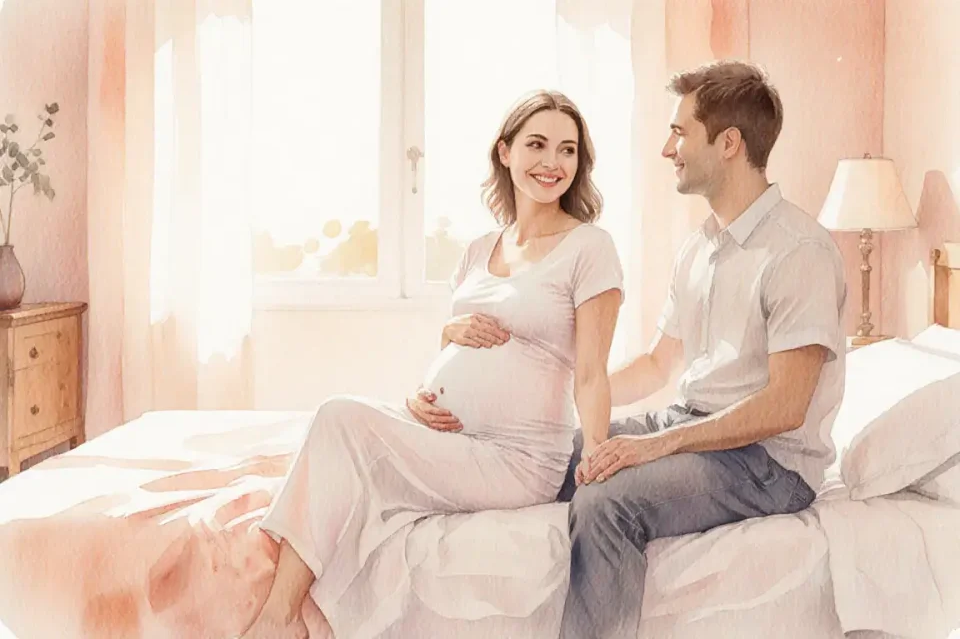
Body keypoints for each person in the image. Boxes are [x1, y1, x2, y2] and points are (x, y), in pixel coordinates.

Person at [241, 90, 625, 639]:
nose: (553, 163)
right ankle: (288, 618)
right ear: (505, 152)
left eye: (567, 150)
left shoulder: (591, 248)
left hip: (517, 458)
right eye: (536, 144)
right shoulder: (478, 249)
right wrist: (429, 382)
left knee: (340, 422)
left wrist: (598, 465)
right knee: (338, 422)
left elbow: (590, 372)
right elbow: (468, 338)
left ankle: (278, 620)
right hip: (452, 439)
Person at [556, 60, 848, 638]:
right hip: (694, 426)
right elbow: (658, 364)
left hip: (770, 464)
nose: (668, 149)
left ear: (730, 143)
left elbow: (784, 407)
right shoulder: (699, 247)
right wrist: (567, 400)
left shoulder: (800, 253)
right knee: (550, 455)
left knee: (606, 501)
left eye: (680, 132)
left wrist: (655, 447)